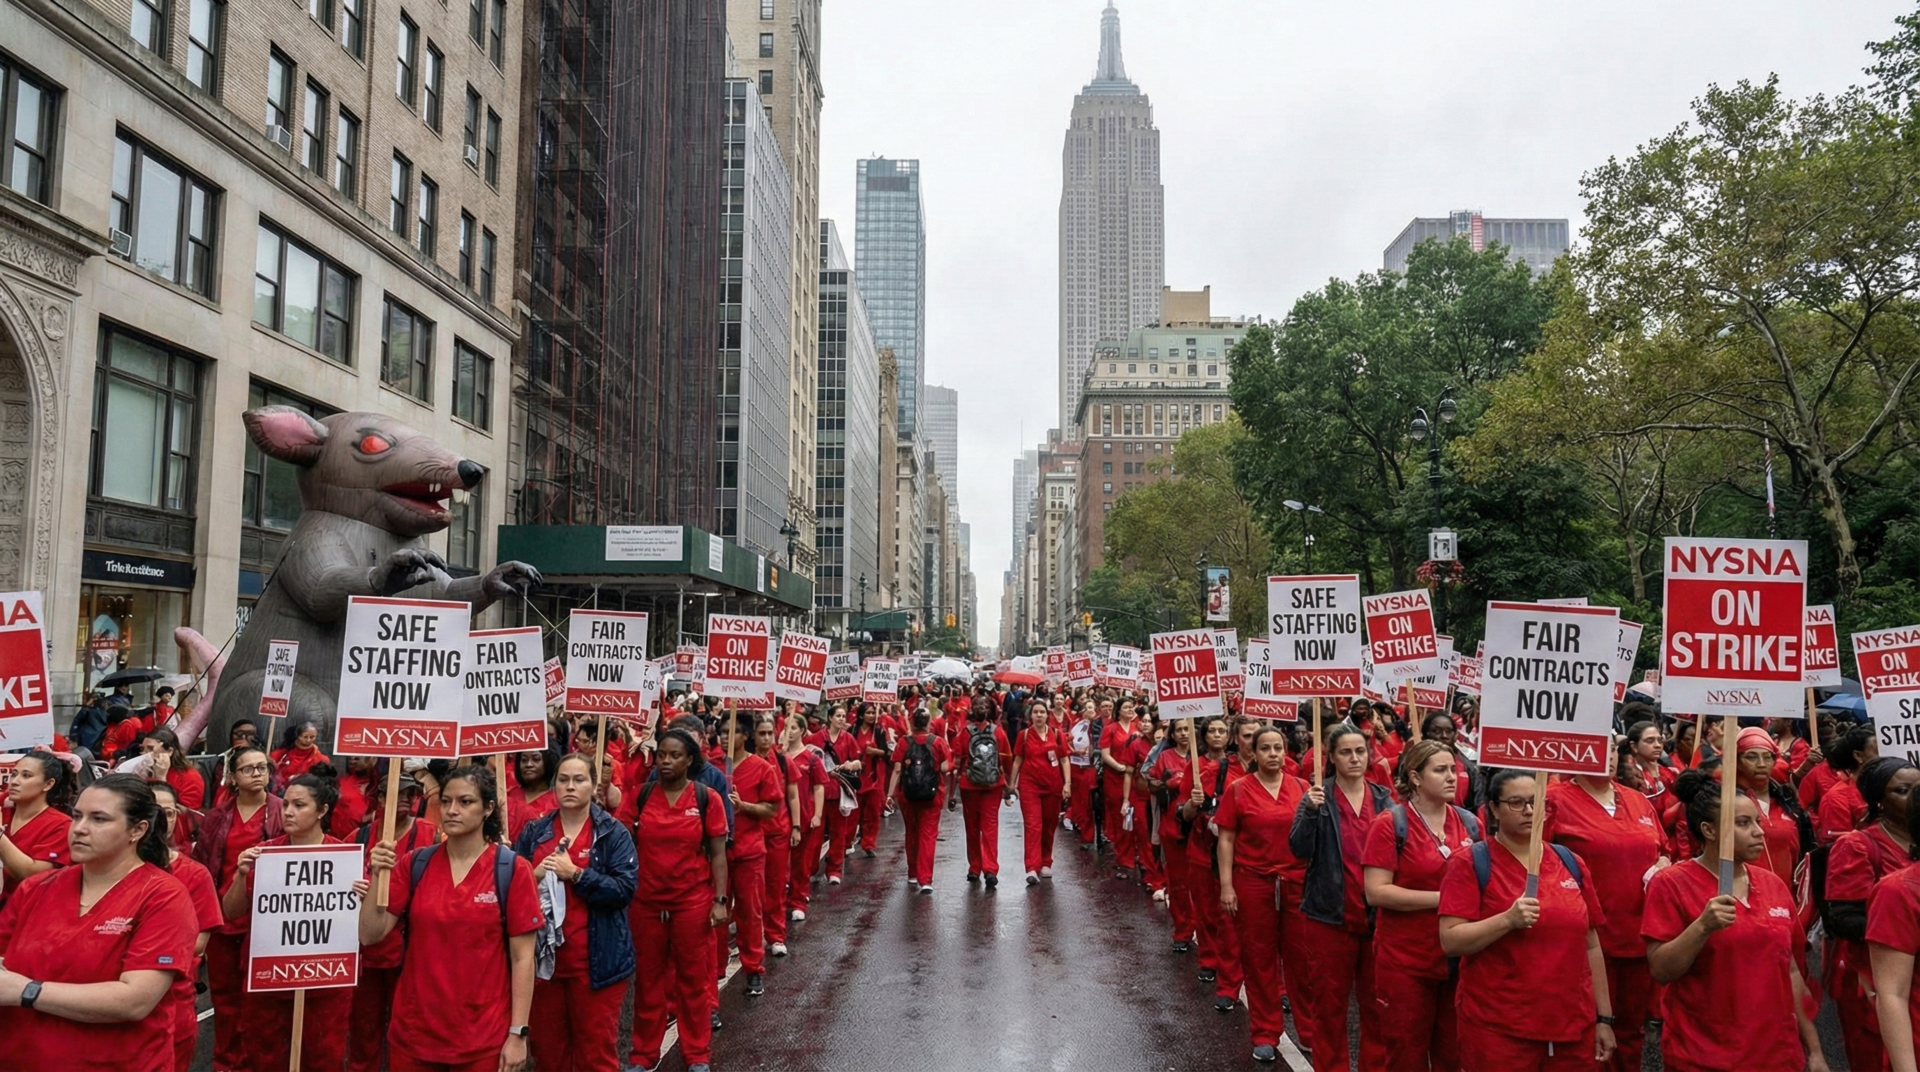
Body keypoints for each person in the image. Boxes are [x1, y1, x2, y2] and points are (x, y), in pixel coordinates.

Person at [0, 774, 198, 1072]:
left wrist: (28, 991)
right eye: (77, 816)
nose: (79, 829)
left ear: (138, 830)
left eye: (99, 819)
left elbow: (134, 1000)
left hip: (116, 1062)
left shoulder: (163, 896)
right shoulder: (36, 889)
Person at [357, 764, 542, 1072]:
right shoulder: (414, 864)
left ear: (488, 808)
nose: (452, 810)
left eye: (465, 802)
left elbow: (523, 958)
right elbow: (369, 934)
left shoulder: (512, 870)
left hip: (482, 1039)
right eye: (445, 801)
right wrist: (378, 876)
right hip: (414, 1035)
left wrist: (517, 1034)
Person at [1645, 770, 1828, 1072]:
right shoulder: (1671, 883)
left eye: (1756, 821)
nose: (1759, 832)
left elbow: (1792, 971)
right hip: (1705, 1056)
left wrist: (1815, 1049)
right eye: (1743, 824)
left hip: (1777, 1055)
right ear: (1709, 830)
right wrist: (1702, 927)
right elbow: (1661, 970)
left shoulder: (1772, 885)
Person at [1438, 768, 1616, 1070]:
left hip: (1572, 1024)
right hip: (1500, 1027)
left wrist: (1604, 1018)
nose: (1529, 811)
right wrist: (1506, 920)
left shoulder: (1570, 861)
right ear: (1493, 808)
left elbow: (1591, 945)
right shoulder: (1470, 862)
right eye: (1516, 803)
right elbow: (1451, 940)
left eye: (1536, 802)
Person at [1544, 748, 1671, 1072]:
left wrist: (1661, 864)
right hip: (1584, 940)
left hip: (1639, 935)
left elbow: (1664, 850)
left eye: (1614, 747)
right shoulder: (1554, 799)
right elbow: (1535, 860)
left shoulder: (1637, 800)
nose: (1609, 754)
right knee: (1590, 1031)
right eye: (1599, 745)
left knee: (1631, 1031)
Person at [512, 751, 638, 1072]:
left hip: (596, 965)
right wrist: (533, 875)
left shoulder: (612, 833)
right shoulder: (534, 832)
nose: (570, 786)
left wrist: (577, 875)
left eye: (579, 779)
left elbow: (624, 890)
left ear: (594, 786)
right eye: (563, 780)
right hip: (544, 967)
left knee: (595, 1056)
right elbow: (512, 891)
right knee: (549, 1056)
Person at [222, 764, 352, 1072]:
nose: (287, 812)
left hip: (325, 985)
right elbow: (231, 912)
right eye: (286, 804)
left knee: (322, 1059)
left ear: (322, 810)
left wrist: (363, 893)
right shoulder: (263, 854)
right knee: (264, 1058)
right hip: (269, 980)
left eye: (299, 805)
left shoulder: (344, 858)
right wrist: (240, 877)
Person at [1363, 738, 1481, 1072]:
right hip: (1406, 962)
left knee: (1454, 1054)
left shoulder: (1470, 823)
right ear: (1415, 777)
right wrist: (1446, 900)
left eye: (1454, 770)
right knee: (1406, 1054)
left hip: (1458, 960)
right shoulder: (1390, 824)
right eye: (1440, 770)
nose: (1452, 777)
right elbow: (1377, 892)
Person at [624, 729, 728, 1072]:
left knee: (692, 981)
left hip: (692, 904)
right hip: (647, 904)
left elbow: (717, 855)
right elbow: (621, 841)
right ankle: (643, 1055)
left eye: (674, 756)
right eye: (662, 755)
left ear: (689, 760)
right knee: (649, 982)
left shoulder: (706, 798)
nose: (666, 761)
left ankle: (697, 1054)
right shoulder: (640, 796)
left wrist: (719, 900)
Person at [1288, 722, 1390, 1072]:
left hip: (1376, 918)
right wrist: (1310, 812)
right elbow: (1298, 849)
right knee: (1329, 1007)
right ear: (1330, 756)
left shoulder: (1384, 799)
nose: (1354, 758)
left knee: (1377, 1007)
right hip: (1329, 916)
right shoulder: (1318, 796)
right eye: (1345, 752)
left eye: (1360, 751)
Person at [1215, 725, 1308, 1063]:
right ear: (1253, 753)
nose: (1273, 754)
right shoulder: (1238, 790)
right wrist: (1227, 886)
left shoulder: (1303, 788)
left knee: (1302, 959)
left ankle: (1309, 1030)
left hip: (1297, 883)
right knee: (1260, 960)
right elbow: (1226, 839)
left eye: (1278, 748)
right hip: (1253, 883)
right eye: (1265, 748)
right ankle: (1266, 1032)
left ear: (1286, 752)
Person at [189, 746, 281, 1071]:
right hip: (223, 920)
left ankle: (255, 1062)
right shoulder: (217, 817)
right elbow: (201, 866)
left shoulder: (283, 812)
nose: (257, 774)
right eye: (248, 769)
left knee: (260, 1002)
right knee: (225, 999)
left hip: (267, 923)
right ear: (233, 776)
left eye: (262, 767)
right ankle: (225, 1063)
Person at [1825, 756, 1918, 1072]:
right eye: (1903, 790)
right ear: (1879, 800)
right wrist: (1900, 932)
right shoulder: (1857, 845)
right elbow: (1841, 917)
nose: (1914, 797)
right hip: (1870, 974)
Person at [348, 770, 437, 1072]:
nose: (404, 799)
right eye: (395, 792)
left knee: (408, 1031)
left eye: (410, 794)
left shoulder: (432, 834)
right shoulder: (359, 837)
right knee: (364, 1031)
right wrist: (353, 886)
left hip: (410, 950)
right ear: (380, 798)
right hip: (366, 953)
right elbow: (334, 878)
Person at [148, 780, 221, 1072]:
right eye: (151, 810)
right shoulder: (106, 870)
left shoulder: (194, 874)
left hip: (173, 1001)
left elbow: (198, 942)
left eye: (167, 813)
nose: (159, 820)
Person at [1178, 714, 1243, 1011]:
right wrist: (1194, 802)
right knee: (1205, 910)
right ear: (1203, 736)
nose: (1217, 735)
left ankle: (1230, 965)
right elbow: (1185, 813)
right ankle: (1209, 958)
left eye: (1222, 730)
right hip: (1203, 851)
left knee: (1228, 915)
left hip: (1233, 855)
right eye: (1212, 730)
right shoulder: (1200, 767)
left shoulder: (1239, 769)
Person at [718, 706, 779, 996]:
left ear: (745, 735)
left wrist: (745, 807)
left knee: (750, 913)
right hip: (717, 855)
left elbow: (771, 808)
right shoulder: (712, 767)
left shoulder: (762, 768)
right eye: (720, 732)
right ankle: (715, 969)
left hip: (749, 852)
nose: (723, 737)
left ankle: (753, 967)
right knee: (716, 912)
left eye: (730, 732)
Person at [1728, 726, 1815, 888]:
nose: (1761, 764)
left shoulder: (1788, 801)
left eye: (1767, 757)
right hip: (1742, 896)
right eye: (1751, 757)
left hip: (1787, 896)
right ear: (1737, 762)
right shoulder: (1725, 802)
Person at [887, 707, 951, 893]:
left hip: (907, 795)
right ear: (929, 722)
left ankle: (913, 873)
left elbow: (897, 770)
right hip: (932, 795)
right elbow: (946, 768)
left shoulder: (903, 743)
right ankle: (926, 879)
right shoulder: (937, 742)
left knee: (912, 833)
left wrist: (890, 795)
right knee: (928, 836)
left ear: (912, 722)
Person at [0, 750, 75, 909]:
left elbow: (30, 875)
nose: (14, 781)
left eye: (26, 776)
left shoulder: (61, 826)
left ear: (48, 784)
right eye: (14, 774)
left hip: (25, 912)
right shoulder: (4, 807)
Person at [1008, 692, 1070, 885]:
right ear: (1031, 715)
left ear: (1047, 714)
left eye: (1042, 712)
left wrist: (1067, 783)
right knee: (1033, 825)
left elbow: (1064, 759)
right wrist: (1011, 784)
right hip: (1029, 786)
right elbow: (1017, 760)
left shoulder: (1057, 734)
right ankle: (1032, 868)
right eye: (1035, 712)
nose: (1039, 715)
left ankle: (1045, 862)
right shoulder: (1024, 735)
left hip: (1053, 786)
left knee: (1049, 824)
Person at [956, 696, 1013, 887]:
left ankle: (975, 868)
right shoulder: (998, 732)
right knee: (989, 826)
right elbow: (1006, 760)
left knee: (972, 827)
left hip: (969, 785)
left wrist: (952, 790)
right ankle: (990, 869)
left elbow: (958, 759)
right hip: (993, 785)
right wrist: (1008, 785)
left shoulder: (964, 732)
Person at [780, 713, 829, 921]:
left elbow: (819, 787)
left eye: (793, 728)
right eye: (786, 727)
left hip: (805, 816)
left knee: (801, 862)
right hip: (780, 816)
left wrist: (817, 814)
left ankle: (799, 900)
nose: (788, 731)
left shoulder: (812, 758)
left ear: (802, 730)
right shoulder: (778, 756)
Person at [756, 714, 793, 956]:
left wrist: (797, 827)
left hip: (779, 831)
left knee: (776, 886)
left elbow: (792, 795)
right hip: (752, 833)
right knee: (752, 890)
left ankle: (776, 935)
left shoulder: (782, 760)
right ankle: (753, 934)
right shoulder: (741, 761)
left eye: (770, 733)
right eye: (762, 733)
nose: (767, 738)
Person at [1100, 698, 1149, 879]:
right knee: (1121, 820)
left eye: (1132, 707)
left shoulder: (1140, 727)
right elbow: (1105, 754)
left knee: (1139, 820)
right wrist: (1120, 767)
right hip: (1115, 779)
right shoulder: (1110, 729)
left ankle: (1141, 856)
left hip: (1136, 781)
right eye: (1126, 707)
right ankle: (1124, 858)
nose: (1130, 709)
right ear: (1118, 711)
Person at [814, 705, 863, 885]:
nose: (842, 719)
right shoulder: (816, 738)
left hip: (840, 791)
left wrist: (852, 764)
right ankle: (811, 868)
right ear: (830, 718)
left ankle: (834, 870)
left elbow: (859, 761)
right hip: (820, 792)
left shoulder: (848, 738)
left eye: (844, 715)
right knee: (815, 834)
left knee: (838, 832)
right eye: (838, 716)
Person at [1816, 724, 1878, 844]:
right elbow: (1840, 849)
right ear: (1858, 756)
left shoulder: (1893, 791)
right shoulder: (1836, 799)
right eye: (1879, 751)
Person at [134, 728, 204, 811]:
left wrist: (161, 778)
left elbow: (187, 814)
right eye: (142, 749)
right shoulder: (142, 772)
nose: (144, 754)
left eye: (150, 748)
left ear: (169, 751)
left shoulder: (191, 777)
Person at [507, 748, 561, 840]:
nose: (528, 764)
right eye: (524, 760)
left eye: (536, 759)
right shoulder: (510, 794)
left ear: (548, 762)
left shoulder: (558, 798)